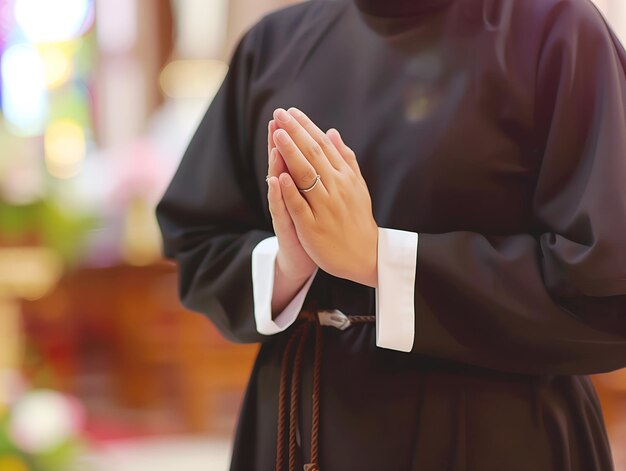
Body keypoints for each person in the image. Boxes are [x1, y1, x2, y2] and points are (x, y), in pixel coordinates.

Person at [155, 0, 626, 469]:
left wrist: (378, 259)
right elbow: (198, 242)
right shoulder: (273, 42)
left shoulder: (554, 26)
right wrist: (288, 263)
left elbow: (606, 288)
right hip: (298, 426)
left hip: (494, 429)